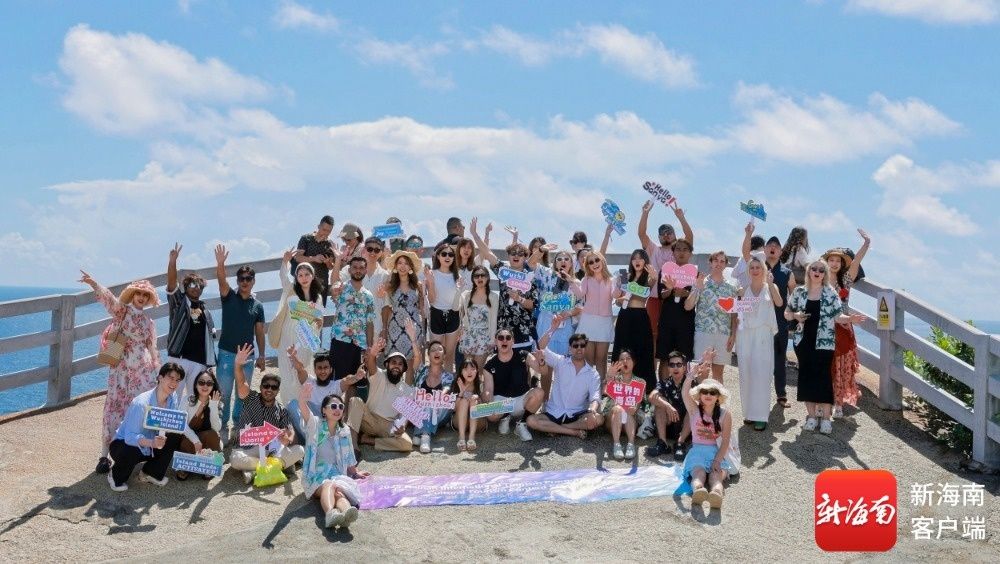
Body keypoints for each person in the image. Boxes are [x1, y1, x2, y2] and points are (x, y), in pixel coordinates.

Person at [80, 271, 160, 475]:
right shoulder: (122, 311)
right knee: (114, 408)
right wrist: (94, 283)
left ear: (148, 299)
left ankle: (134, 451)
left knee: (139, 410)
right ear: (132, 295)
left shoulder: (149, 322)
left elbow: (152, 348)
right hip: (121, 370)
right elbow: (109, 300)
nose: (141, 297)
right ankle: (104, 455)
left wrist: (157, 370)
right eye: (138, 293)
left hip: (142, 372)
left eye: (145, 295)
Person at [785, 260, 866, 435]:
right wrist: (796, 315)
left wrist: (850, 319)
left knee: (823, 379)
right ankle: (812, 417)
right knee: (806, 378)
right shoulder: (799, 292)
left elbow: (838, 317)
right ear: (808, 271)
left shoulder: (830, 293)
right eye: (814, 269)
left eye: (821, 270)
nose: (817, 272)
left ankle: (826, 419)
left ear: (825, 274)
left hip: (825, 342)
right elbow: (787, 313)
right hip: (803, 341)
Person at [229, 344, 305, 484]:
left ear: (277, 391)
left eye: (274, 387)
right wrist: (238, 365)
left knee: (300, 450)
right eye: (266, 386)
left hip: (271, 450)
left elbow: (290, 431)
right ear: (261, 387)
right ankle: (277, 466)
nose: (269, 389)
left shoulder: (281, 410)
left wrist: (287, 439)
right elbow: (241, 383)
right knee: (234, 459)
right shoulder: (251, 399)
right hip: (250, 449)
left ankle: (255, 470)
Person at [298, 383, 370, 529]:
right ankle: (330, 514)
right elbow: (305, 411)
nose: (338, 409)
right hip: (315, 475)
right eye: (333, 406)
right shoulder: (315, 424)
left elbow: (349, 455)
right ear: (324, 410)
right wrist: (302, 400)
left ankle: (347, 513)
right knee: (329, 485)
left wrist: (355, 472)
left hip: (336, 473)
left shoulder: (344, 430)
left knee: (339, 492)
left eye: (341, 407)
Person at [106, 363, 185, 491]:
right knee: (132, 448)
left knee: (176, 435)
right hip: (123, 445)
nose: (174, 383)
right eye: (171, 378)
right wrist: (153, 443)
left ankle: (150, 473)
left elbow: (170, 424)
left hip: (151, 445)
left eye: (177, 380)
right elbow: (130, 437)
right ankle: (114, 475)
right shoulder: (141, 403)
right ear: (160, 377)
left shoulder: (173, 397)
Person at [214, 244, 266, 435]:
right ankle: (222, 425)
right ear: (237, 281)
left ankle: (238, 424)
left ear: (253, 281)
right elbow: (221, 280)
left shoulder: (258, 306)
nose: (245, 281)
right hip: (227, 353)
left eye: (248, 278)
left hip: (248, 356)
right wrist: (220, 263)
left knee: (242, 393)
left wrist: (262, 355)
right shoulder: (228, 297)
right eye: (241, 278)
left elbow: (259, 332)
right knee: (224, 393)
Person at [526, 321, 604, 438]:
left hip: (577, 415)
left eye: (582, 345)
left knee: (598, 419)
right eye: (575, 346)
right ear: (570, 348)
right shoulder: (560, 361)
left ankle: (558, 428)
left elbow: (595, 397)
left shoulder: (593, 374)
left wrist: (592, 411)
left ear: (586, 348)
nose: (579, 348)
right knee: (531, 421)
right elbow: (540, 347)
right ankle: (573, 432)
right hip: (554, 412)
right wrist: (552, 328)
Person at [823, 229, 871, 418]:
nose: (834, 263)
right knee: (825, 366)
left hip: (843, 328)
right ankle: (824, 401)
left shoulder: (845, 281)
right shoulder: (819, 280)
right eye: (831, 260)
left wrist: (866, 244)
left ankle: (838, 403)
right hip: (824, 327)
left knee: (842, 366)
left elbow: (856, 262)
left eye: (838, 260)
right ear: (826, 262)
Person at [637, 199, 694, 354]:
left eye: (669, 232)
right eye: (662, 234)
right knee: (652, 334)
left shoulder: (679, 250)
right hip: (655, 297)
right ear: (659, 237)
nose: (666, 235)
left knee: (673, 335)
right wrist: (645, 213)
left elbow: (689, 236)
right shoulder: (653, 249)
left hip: (675, 298)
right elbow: (641, 234)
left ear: (675, 235)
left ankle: (673, 366)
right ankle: (652, 366)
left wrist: (681, 217)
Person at [270, 249, 325, 406]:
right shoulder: (291, 290)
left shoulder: (317, 297)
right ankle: (290, 406)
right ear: (297, 277)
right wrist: (285, 261)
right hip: (288, 336)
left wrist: (318, 323)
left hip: (306, 339)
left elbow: (318, 319)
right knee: (287, 373)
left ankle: (305, 406)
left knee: (304, 370)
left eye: (307, 274)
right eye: (300, 275)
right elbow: (283, 277)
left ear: (312, 276)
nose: (304, 278)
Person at [346, 332, 417, 453]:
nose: (396, 366)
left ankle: (365, 440)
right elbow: (371, 363)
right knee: (355, 401)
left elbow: (404, 415)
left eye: (400, 364)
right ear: (387, 364)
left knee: (406, 444)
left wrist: (402, 426)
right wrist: (373, 353)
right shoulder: (379, 375)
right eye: (393, 362)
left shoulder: (408, 390)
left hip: (388, 425)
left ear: (404, 369)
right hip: (368, 419)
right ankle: (353, 446)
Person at [735, 254, 783, 430]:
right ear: (748, 271)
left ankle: (761, 415)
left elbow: (779, 303)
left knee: (761, 374)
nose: (755, 270)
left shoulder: (770, 287)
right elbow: (736, 313)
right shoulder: (742, 290)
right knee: (746, 372)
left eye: (758, 267)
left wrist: (770, 283)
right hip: (745, 335)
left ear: (764, 269)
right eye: (752, 268)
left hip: (763, 334)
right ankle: (749, 413)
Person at [165, 243, 216, 404]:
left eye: (199, 286)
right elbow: (171, 284)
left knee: (194, 400)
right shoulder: (179, 303)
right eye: (192, 285)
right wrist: (173, 261)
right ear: (186, 287)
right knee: (173, 397)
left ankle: (189, 421)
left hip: (199, 362)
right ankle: (169, 422)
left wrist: (209, 364)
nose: (196, 288)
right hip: (179, 358)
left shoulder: (205, 310)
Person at [472, 224, 538, 351]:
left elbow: (533, 305)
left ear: (525, 257)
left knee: (524, 363)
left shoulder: (529, 277)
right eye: (513, 253)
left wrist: (519, 299)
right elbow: (487, 252)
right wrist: (475, 234)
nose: (516, 256)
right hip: (503, 331)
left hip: (523, 329)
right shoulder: (503, 271)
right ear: (508, 256)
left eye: (520, 254)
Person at [285, 345, 366, 446]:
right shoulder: (309, 381)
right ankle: (312, 442)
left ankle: (319, 443)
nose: (323, 371)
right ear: (315, 370)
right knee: (292, 404)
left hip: (329, 427)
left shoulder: (336, 385)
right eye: (319, 368)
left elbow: (347, 380)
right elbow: (300, 369)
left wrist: (356, 377)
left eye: (326, 368)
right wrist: (293, 357)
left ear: (331, 369)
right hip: (310, 428)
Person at [680, 367, 735, 510]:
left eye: (713, 392)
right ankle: (698, 491)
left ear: (718, 397)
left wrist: (717, 460)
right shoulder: (693, 410)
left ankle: (716, 494)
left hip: (718, 452)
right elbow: (685, 392)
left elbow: (725, 441)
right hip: (697, 451)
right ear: (699, 395)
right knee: (698, 474)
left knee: (715, 476)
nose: (708, 394)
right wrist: (691, 375)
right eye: (704, 391)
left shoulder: (725, 415)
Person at [482, 329, 546, 441]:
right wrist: (486, 396)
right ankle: (505, 417)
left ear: (513, 341)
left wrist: (542, 362)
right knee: (490, 415)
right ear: (496, 341)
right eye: (501, 338)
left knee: (539, 393)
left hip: (521, 400)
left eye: (508, 338)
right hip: (502, 403)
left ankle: (521, 424)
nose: (504, 340)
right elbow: (488, 389)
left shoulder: (524, 355)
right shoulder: (489, 364)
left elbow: (543, 372)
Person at [685, 251, 737, 382]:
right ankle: (699, 396)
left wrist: (733, 335)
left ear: (726, 265)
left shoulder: (731, 287)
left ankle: (717, 396)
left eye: (722, 261)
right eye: (716, 260)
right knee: (702, 371)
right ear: (710, 262)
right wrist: (697, 288)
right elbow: (688, 306)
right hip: (703, 332)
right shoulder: (701, 282)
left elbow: (734, 314)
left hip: (724, 334)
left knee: (718, 373)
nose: (719, 264)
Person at [568, 249, 617, 381]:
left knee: (601, 360)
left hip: (604, 323)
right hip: (588, 322)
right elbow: (580, 294)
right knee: (588, 359)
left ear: (602, 261)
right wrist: (570, 281)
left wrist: (620, 284)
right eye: (590, 262)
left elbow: (615, 295)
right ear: (587, 266)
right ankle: (588, 390)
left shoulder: (612, 280)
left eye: (596, 260)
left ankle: (600, 390)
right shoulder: (586, 279)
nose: (594, 263)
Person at [612, 249, 657, 390]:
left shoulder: (648, 277)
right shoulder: (624, 276)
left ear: (645, 261)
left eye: (640, 258)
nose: (637, 261)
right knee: (621, 348)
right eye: (634, 258)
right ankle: (617, 386)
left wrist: (654, 278)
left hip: (640, 316)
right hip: (625, 316)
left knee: (642, 350)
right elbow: (617, 300)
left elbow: (645, 294)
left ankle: (644, 388)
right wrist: (620, 297)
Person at [328, 256, 377, 384]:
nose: (358, 270)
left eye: (361, 268)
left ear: (366, 270)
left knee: (356, 382)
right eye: (355, 267)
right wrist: (338, 259)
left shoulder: (369, 296)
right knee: (337, 381)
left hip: (360, 343)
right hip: (340, 340)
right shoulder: (342, 288)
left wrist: (369, 347)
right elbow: (334, 286)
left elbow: (370, 323)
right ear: (349, 270)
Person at [528, 248, 580, 362]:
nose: (563, 261)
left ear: (571, 263)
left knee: (563, 363)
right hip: (546, 322)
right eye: (559, 259)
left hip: (565, 325)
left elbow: (582, 306)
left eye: (566, 259)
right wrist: (541, 250)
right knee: (544, 360)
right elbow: (530, 263)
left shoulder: (575, 283)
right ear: (555, 263)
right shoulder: (546, 274)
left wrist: (569, 313)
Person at [655, 238, 696, 379]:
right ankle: (663, 389)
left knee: (684, 359)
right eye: (678, 249)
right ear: (673, 253)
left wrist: (686, 293)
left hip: (686, 322)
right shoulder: (666, 270)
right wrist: (671, 290)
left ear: (690, 253)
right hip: (667, 321)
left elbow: (698, 296)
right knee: (664, 358)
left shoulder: (694, 272)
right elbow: (661, 295)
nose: (681, 252)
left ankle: (682, 390)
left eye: (685, 249)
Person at [381, 249, 425, 380]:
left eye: (406, 263)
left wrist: (422, 330)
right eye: (399, 263)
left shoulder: (418, 285)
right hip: (394, 328)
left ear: (410, 267)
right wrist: (384, 329)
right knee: (393, 361)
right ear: (395, 266)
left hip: (413, 327)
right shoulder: (389, 285)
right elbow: (385, 307)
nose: (403, 266)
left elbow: (422, 309)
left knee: (411, 363)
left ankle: (408, 391)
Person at [764, 235, 796, 407]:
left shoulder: (787, 272)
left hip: (780, 321)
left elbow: (794, 296)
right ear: (764, 249)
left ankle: (781, 394)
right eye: (770, 245)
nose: (773, 248)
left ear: (781, 251)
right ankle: (759, 394)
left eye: (776, 246)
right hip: (760, 322)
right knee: (759, 358)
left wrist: (792, 316)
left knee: (779, 358)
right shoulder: (757, 268)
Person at [645, 351, 692, 461]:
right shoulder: (664, 383)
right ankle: (662, 443)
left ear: (684, 367)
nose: (675, 368)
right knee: (659, 403)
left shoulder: (691, 383)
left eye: (679, 364)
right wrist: (667, 406)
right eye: (672, 365)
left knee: (693, 408)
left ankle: (680, 443)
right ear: (668, 368)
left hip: (686, 428)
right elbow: (651, 397)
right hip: (668, 424)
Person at [176, 370, 223, 481]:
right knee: (185, 440)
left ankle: (209, 465)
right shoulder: (187, 400)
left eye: (209, 383)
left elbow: (217, 428)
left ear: (213, 386)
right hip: (190, 442)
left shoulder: (217, 402)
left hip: (208, 444)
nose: (205, 386)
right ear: (196, 384)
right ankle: (186, 466)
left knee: (213, 434)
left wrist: (213, 405)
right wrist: (195, 440)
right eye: (201, 382)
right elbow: (181, 424)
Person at [411, 340, 456, 453]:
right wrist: (413, 338)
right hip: (419, 412)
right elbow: (417, 356)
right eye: (433, 350)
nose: (436, 352)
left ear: (444, 355)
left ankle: (421, 435)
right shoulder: (421, 371)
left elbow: (445, 390)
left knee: (430, 402)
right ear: (428, 355)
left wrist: (434, 399)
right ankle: (424, 435)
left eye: (440, 350)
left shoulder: (449, 376)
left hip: (439, 415)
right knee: (423, 402)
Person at [425, 242, 462, 372]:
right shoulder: (432, 274)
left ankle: (448, 381)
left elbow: (459, 303)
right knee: (436, 353)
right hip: (436, 314)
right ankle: (435, 380)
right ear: (438, 256)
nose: (447, 257)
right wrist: (430, 282)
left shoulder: (457, 276)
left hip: (453, 315)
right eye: (444, 254)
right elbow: (431, 300)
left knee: (449, 355)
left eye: (451, 254)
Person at [457, 265, 500, 370]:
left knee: (478, 370)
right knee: (468, 370)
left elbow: (493, 320)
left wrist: (492, 340)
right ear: (473, 279)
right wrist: (458, 290)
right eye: (476, 276)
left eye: (482, 275)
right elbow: (456, 310)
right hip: (468, 336)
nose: (479, 278)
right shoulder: (466, 295)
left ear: (487, 278)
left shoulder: (493, 296)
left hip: (484, 338)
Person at [602, 350, 642, 460]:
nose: (625, 361)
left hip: (630, 419)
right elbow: (603, 392)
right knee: (619, 408)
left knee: (627, 408)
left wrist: (635, 408)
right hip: (612, 417)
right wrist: (609, 376)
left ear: (634, 362)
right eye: (622, 359)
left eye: (628, 359)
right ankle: (616, 444)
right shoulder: (614, 378)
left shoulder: (640, 382)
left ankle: (631, 444)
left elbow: (638, 402)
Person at [292, 215, 336, 304]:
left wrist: (327, 262)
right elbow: (298, 258)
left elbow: (331, 267)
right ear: (318, 226)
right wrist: (314, 258)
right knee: (302, 310)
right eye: (324, 229)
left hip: (321, 284)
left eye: (329, 231)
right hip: (304, 282)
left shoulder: (330, 245)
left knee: (319, 311)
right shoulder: (306, 239)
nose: (326, 233)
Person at [451, 358, 488, 451]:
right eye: (465, 369)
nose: (469, 372)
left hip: (478, 423)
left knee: (473, 401)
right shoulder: (456, 383)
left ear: (477, 371)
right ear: (461, 371)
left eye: (472, 369)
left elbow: (486, 409)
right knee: (464, 401)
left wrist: (478, 399)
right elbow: (453, 409)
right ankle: (461, 438)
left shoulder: (481, 385)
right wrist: (461, 393)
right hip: (458, 422)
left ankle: (471, 438)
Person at [731, 222, 766, 290]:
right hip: (750, 293)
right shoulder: (761, 255)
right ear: (762, 246)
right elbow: (745, 253)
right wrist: (748, 234)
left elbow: (733, 274)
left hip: (741, 291)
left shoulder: (742, 258)